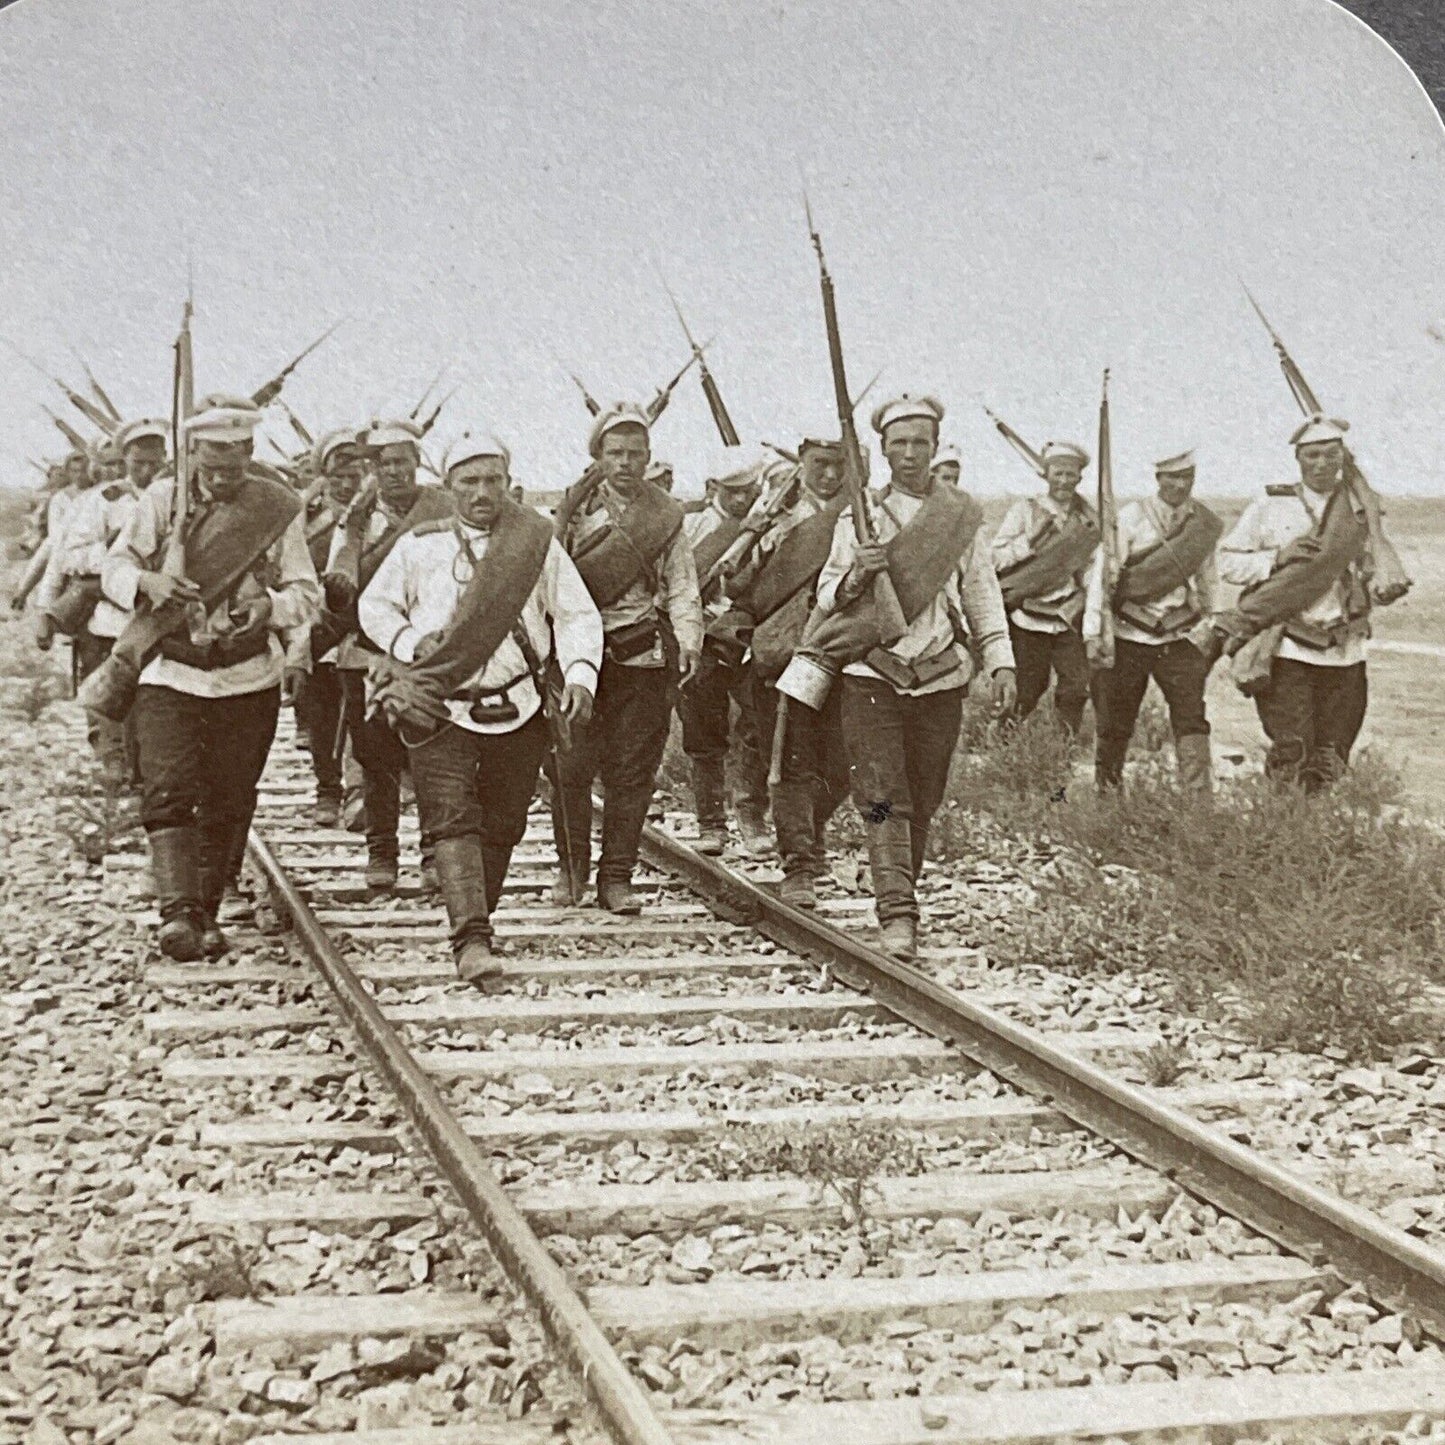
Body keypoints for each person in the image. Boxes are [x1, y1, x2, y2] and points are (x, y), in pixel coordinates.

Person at [359, 433, 601, 982]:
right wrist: (405, 643)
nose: (482, 492)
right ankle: (470, 937)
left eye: (492, 480)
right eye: (469, 481)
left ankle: (478, 914)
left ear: (508, 484)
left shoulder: (536, 544)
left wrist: (582, 674)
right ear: (448, 487)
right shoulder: (420, 545)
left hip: (518, 703)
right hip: (439, 707)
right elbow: (373, 605)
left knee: (505, 820)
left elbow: (577, 614)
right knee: (450, 817)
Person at [102, 394, 319, 960]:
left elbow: (306, 593)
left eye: (235, 462)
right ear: (194, 453)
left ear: (250, 453)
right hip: (170, 671)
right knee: (169, 789)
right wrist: (148, 586)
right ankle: (178, 914)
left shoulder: (277, 508)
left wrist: (270, 606)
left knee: (228, 797)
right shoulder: (162, 499)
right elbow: (116, 566)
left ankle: (207, 913)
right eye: (213, 463)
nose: (223, 477)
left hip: (247, 677)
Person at [814, 397, 1016, 961]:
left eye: (920, 442)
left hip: (939, 676)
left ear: (935, 446)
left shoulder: (960, 516)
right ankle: (898, 915)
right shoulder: (862, 516)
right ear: (881, 448)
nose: (909, 453)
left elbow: (981, 590)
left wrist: (1000, 659)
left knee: (923, 798)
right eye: (898, 442)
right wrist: (859, 572)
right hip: (871, 673)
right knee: (882, 798)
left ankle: (902, 892)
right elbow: (826, 595)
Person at [550, 402, 703, 913]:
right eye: (615, 453)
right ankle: (571, 868)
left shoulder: (663, 516)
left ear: (648, 457)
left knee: (632, 773)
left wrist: (689, 639)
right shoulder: (572, 513)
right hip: (577, 659)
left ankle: (616, 877)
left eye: (635, 454)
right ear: (598, 456)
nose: (625, 463)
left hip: (641, 655)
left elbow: (682, 584)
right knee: (571, 767)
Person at [1214, 417, 1380, 791]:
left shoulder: (1359, 507)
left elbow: (1373, 564)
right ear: (1298, 459)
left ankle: (1313, 838)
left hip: (1345, 650)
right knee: (1292, 750)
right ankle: (1283, 835)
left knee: (1334, 755)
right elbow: (1227, 562)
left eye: (1331, 455)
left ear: (1343, 459)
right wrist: (1276, 557)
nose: (1322, 464)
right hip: (1287, 647)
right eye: (1312, 455)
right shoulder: (1271, 505)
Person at [324, 419, 452, 892]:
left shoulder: (443, 512)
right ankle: (382, 852)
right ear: (370, 468)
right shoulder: (355, 523)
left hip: (429, 655)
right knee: (376, 758)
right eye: (382, 462)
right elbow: (339, 591)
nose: (393, 471)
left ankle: (434, 853)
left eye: (401, 460)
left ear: (417, 462)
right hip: (369, 655)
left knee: (432, 757)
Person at [728, 438, 851, 907]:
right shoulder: (777, 520)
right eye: (819, 465)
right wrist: (751, 536)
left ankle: (808, 831)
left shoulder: (859, 517)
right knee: (792, 758)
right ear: (802, 465)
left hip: (840, 651)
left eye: (837, 466)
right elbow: (737, 584)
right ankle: (798, 860)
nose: (828, 475)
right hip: (783, 655)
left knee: (841, 764)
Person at [1084, 449, 1222, 791]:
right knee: (1117, 720)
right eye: (1172, 477)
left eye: (1187, 477)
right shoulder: (1131, 518)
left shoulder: (1200, 524)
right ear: (1158, 479)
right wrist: (1093, 631)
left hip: (1178, 637)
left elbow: (1209, 579)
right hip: (1130, 634)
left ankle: (1197, 799)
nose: (1180, 485)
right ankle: (1108, 791)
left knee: (1192, 716)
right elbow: (1104, 575)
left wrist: (1212, 623)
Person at [54, 417, 169, 791]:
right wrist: (117, 562)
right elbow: (72, 554)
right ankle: (113, 764)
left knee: (150, 703)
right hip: (110, 617)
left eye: (155, 462)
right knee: (108, 700)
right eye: (139, 463)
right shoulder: (104, 501)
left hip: (156, 620)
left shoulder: (174, 495)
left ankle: (142, 774)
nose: (148, 470)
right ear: (125, 460)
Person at [679, 456, 771, 855]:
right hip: (703, 640)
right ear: (714, 486)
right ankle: (711, 823)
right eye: (730, 490)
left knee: (757, 725)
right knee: (704, 734)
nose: (738, 499)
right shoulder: (691, 526)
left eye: (746, 491)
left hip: (751, 640)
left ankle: (751, 818)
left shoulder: (767, 527)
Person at [991, 440, 1097, 733]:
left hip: (1068, 618)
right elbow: (995, 558)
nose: (1064, 481)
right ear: (1046, 474)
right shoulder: (1025, 511)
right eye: (1058, 473)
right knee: (1026, 691)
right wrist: (1030, 542)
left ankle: (1060, 758)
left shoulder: (1086, 518)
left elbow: (1090, 567)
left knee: (1075, 690)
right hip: (1028, 617)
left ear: (1079, 478)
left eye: (1070, 475)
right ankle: (1004, 750)